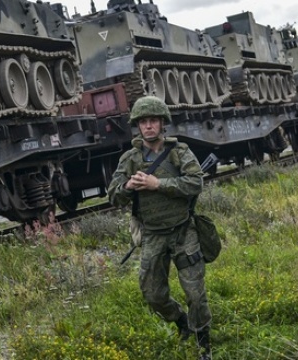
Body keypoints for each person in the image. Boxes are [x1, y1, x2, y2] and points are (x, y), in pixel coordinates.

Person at [107, 96, 213, 359]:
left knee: (196, 294)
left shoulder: (180, 152)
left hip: (182, 231)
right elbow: (112, 195)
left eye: (153, 120)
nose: (149, 126)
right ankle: (181, 322)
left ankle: (204, 344)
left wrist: (159, 184)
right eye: (143, 121)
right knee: (153, 295)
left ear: (162, 123)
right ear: (138, 126)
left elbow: (195, 183)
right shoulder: (130, 159)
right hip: (153, 234)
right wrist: (127, 188)